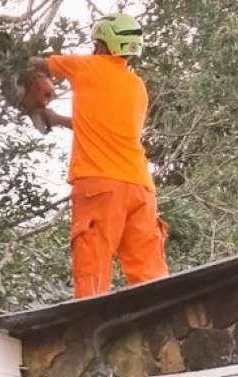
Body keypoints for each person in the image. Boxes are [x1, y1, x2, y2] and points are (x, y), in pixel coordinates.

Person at [31, 12, 169, 299]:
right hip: (141, 188)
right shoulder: (137, 87)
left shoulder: (87, 67)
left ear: (103, 43)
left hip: (100, 186)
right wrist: (54, 118)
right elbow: (102, 126)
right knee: (150, 276)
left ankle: (88, 330)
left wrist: (35, 88)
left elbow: (34, 63)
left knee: (93, 270)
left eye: (96, 43)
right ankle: (162, 328)